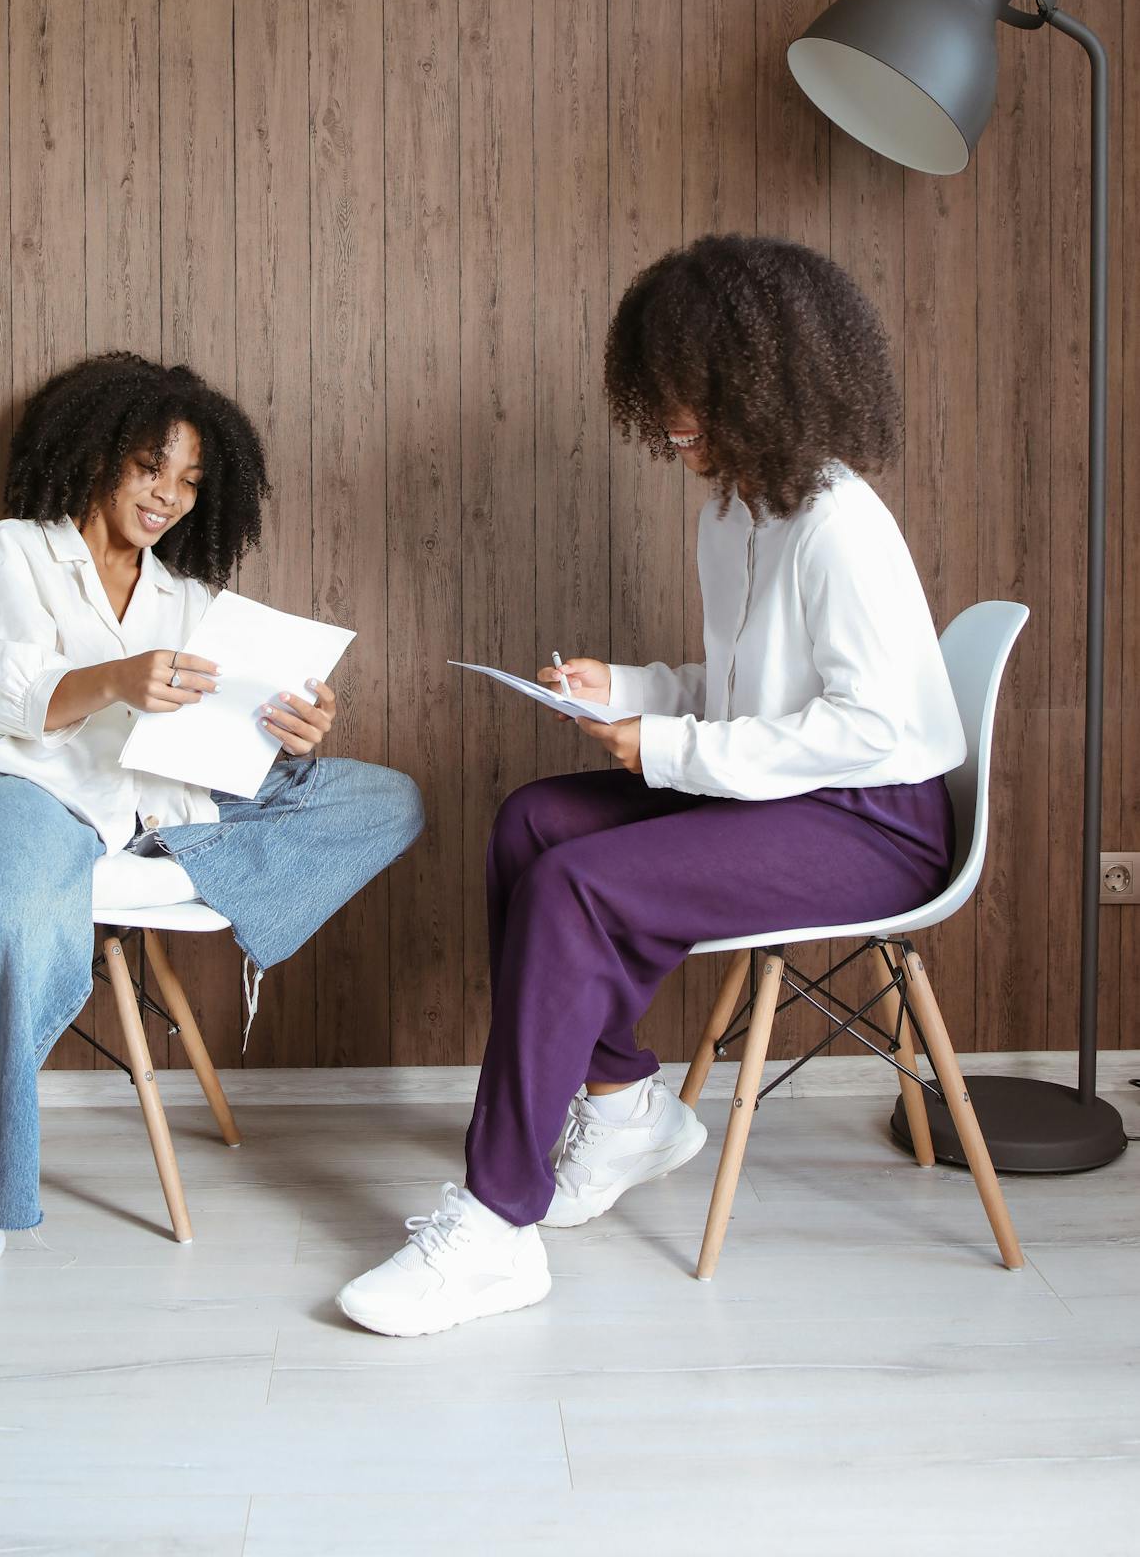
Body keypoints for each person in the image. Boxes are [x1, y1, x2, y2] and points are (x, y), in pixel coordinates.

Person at [337, 233, 966, 1337]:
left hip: (877, 823)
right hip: (787, 792)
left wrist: (665, 748)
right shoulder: (733, 513)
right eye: (665, 403)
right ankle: (624, 1105)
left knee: (579, 887)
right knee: (533, 823)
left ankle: (493, 1224)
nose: (674, 427)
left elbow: (876, 727)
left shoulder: (838, 521)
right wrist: (622, 687)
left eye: (689, 402)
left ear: (757, 385)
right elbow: (743, 690)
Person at [0, 352, 424, 1263]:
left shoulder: (186, 599)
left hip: (162, 802)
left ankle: (186, 857)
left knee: (386, 800)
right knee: (9, 915)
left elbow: (226, 728)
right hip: (28, 788)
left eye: (189, 481)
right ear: (99, 453)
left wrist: (292, 729)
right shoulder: (14, 549)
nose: (167, 496)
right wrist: (112, 679)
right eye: (150, 468)